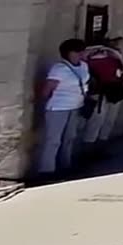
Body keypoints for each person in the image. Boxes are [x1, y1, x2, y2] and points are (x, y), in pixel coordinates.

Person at [37, 39, 91, 178]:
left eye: (82, 51)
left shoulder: (84, 66)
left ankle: (65, 166)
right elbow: (47, 90)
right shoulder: (59, 69)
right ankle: (47, 170)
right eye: (78, 51)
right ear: (69, 53)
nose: (81, 54)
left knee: (70, 138)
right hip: (58, 107)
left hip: (76, 105)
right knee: (53, 140)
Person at [81, 33, 123, 158]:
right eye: (115, 41)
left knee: (106, 121)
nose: (118, 44)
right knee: (97, 121)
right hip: (101, 92)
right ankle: (88, 152)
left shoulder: (113, 55)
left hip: (113, 91)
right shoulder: (97, 55)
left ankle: (98, 149)